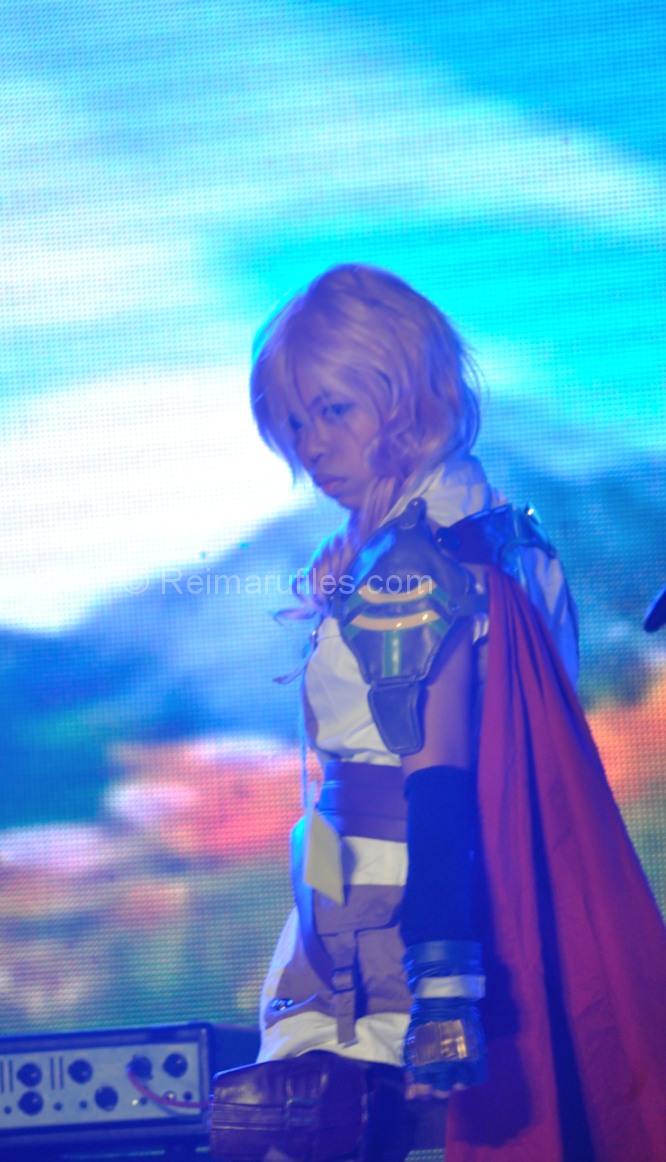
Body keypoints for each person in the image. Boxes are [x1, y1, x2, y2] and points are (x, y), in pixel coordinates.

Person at [242, 264, 666, 1161]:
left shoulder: (415, 567)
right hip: (401, 898)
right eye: (296, 422)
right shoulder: (500, 534)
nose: (312, 447)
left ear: (406, 394)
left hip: (400, 912)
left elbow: (438, 778)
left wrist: (442, 982)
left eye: (334, 410)